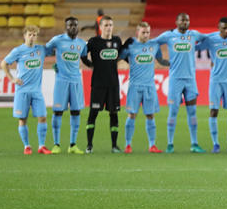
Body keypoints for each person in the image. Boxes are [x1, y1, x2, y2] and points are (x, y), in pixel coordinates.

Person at [154, 13, 212, 153]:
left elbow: (209, 38)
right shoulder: (168, 35)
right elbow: (153, 43)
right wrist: (160, 59)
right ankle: (170, 144)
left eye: (187, 20)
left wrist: (225, 33)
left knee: (192, 112)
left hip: (190, 80)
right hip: (175, 80)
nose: (185, 22)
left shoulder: (193, 34)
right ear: (176, 21)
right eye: (182, 20)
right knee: (173, 112)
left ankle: (194, 143)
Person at [1, 26, 51, 155]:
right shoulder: (18, 51)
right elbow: (4, 64)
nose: (32, 37)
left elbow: (55, 50)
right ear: (24, 35)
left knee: (43, 117)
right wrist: (12, 79)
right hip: (22, 91)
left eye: (34, 35)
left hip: (36, 91)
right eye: (29, 34)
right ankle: (27, 146)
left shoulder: (41, 49)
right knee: (22, 119)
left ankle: (41, 146)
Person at [198, 17, 227, 153]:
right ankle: (216, 144)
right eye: (224, 28)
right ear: (219, 28)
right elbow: (196, 47)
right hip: (216, 80)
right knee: (214, 111)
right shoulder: (211, 39)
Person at [120, 22, 166, 153]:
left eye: (147, 32)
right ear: (137, 33)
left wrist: (172, 63)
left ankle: (152, 145)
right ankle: (128, 145)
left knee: (150, 115)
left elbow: (161, 60)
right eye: (143, 32)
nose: (146, 35)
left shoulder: (154, 45)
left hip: (150, 86)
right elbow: (118, 57)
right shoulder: (131, 46)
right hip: (134, 85)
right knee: (132, 115)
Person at [43, 17, 87, 154]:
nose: (73, 27)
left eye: (75, 25)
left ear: (78, 27)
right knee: (58, 112)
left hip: (76, 81)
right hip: (61, 81)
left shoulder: (81, 43)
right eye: (70, 25)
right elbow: (45, 51)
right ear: (66, 27)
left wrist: (96, 67)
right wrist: (53, 64)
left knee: (76, 111)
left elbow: (84, 58)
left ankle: (72, 145)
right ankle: (56, 144)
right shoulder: (57, 40)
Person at [81, 16, 123, 153]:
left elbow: (122, 55)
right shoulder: (94, 42)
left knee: (114, 114)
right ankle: (89, 145)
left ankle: (114, 145)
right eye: (105, 25)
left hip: (113, 84)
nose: (108, 27)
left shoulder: (117, 41)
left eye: (110, 25)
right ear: (100, 27)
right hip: (98, 84)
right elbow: (82, 54)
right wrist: (89, 64)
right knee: (93, 114)